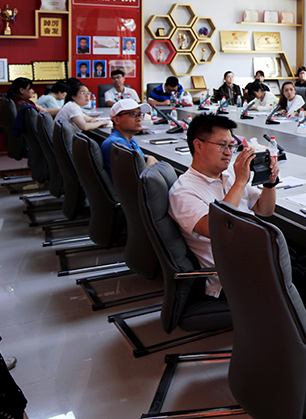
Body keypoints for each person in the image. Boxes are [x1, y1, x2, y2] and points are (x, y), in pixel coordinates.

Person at [168, 113, 279, 297]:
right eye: (222, 145)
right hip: (234, 277)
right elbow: (217, 228)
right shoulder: (183, 191)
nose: (228, 152)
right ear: (198, 145)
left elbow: (264, 210)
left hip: (260, 256)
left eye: (231, 146)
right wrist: (240, 183)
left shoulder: (230, 175)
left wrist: (269, 183)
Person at [101, 99, 157, 177]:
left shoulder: (129, 140)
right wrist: (151, 161)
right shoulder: (117, 144)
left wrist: (149, 158)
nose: (139, 119)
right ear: (116, 119)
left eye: (140, 114)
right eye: (133, 114)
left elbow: (142, 159)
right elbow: (140, 179)